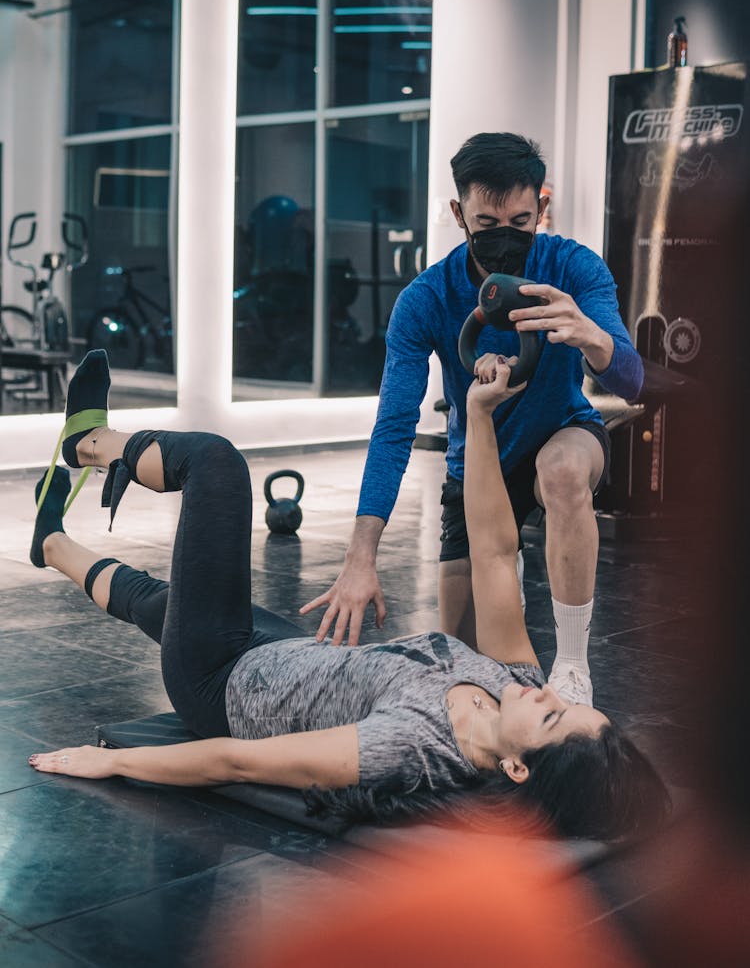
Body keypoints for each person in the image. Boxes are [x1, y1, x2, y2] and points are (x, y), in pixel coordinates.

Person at [27, 350, 667, 841]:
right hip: (287, 652)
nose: (550, 690)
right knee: (159, 603)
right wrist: (476, 414)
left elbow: (239, 762)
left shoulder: (416, 747)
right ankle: (50, 543)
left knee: (215, 467)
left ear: (519, 769)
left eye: (554, 716)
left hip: (220, 683)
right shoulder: (513, 678)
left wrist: (112, 764)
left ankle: (86, 442)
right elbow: (497, 553)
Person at [301, 133, 643, 706]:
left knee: (561, 471)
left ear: (543, 208)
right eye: (487, 220)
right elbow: (394, 427)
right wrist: (361, 558)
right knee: (464, 667)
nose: (504, 234)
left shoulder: (573, 266)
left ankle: (574, 666)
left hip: (563, 431)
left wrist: (593, 337)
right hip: (479, 459)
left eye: (520, 218)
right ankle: (502, 590)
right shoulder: (426, 299)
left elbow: (630, 382)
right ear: (459, 214)